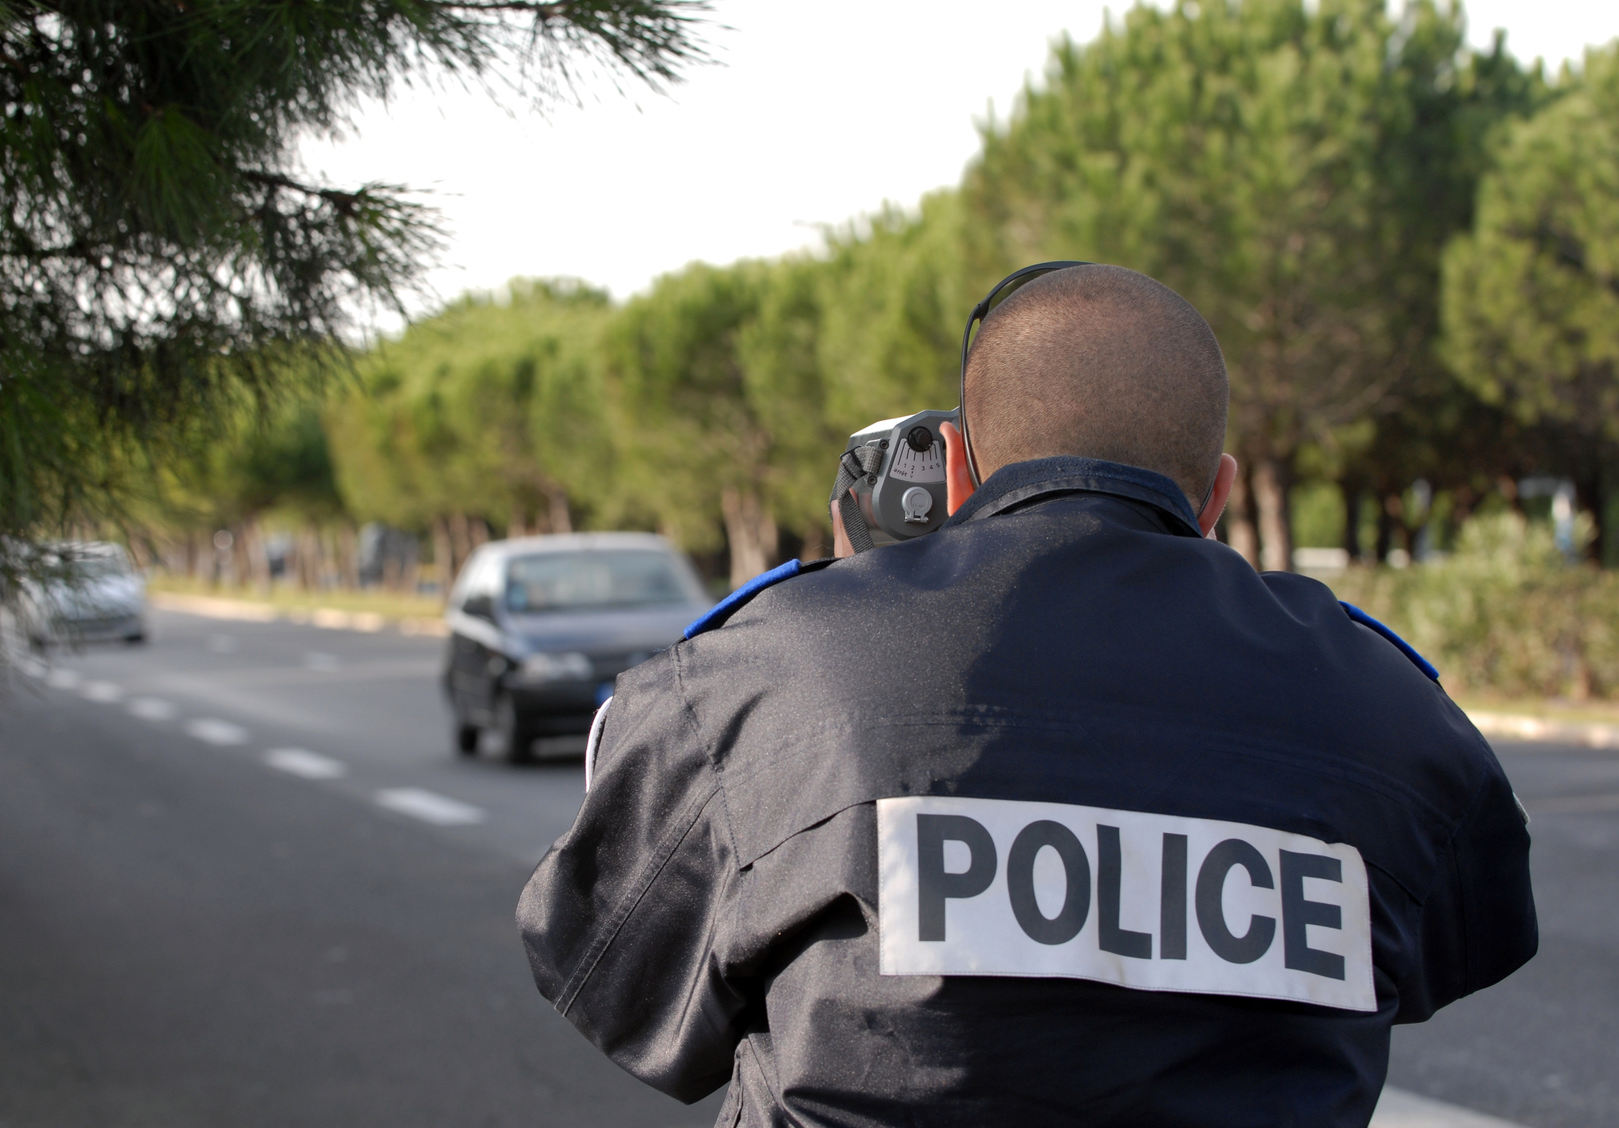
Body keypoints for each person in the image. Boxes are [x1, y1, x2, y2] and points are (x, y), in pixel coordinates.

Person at [517, 263, 1537, 1127]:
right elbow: (1445, 955)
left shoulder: (775, 671)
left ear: (955, 466)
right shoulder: (1389, 708)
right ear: (1217, 492)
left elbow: (620, 983)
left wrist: (835, 618)